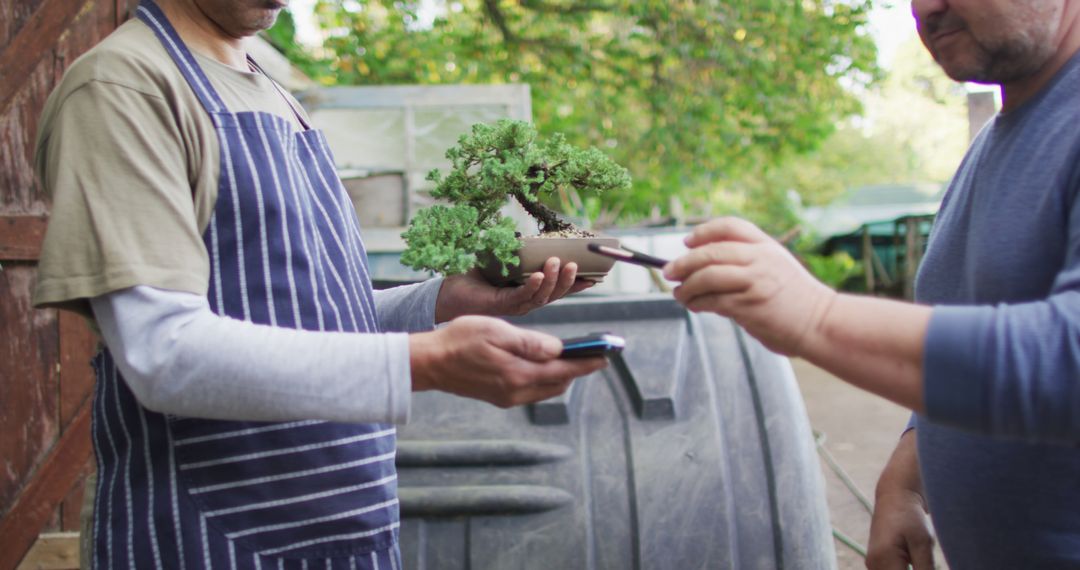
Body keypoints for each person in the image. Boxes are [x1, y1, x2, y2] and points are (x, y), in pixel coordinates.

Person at [32, 0, 607, 567]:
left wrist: (438, 300)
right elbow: (162, 352)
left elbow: (307, 311)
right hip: (209, 541)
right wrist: (423, 362)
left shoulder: (269, 89)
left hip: (348, 533)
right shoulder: (124, 88)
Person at [663, 0, 1080, 568]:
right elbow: (970, 315)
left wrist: (815, 316)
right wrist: (907, 476)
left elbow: (1066, 360)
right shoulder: (993, 143)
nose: (926, 8)